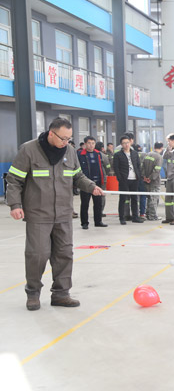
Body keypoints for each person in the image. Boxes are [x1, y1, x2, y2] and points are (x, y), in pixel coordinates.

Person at [6, 117, 103, 310]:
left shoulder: (69, 151)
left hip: (63, 213)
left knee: (64, 254)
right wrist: (15, 204)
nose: (66, 142)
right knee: (37, 255)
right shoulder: (29, 150)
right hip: (38, 214)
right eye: (63, 138)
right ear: (51, 133)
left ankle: (61, 294)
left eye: (69, 139)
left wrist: (91, 186)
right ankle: (33, 293)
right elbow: (14, 179)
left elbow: (77, 176)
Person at [77, 136, 108, 229]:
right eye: (89, 143)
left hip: (97, 182)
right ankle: (84, 223)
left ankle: (98, 221)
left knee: (98, 203)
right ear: (85, 144)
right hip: (85, 183)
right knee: (85, 204)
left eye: (93, 143)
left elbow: (103, 167)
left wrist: (103, 180)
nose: (91, 145)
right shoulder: (80, 154)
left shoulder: (98, 154)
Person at [112, 135, 144, 225]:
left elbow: (138, 165)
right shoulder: (118, 155)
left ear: (130, 143)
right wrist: (120, 178)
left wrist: (139, 175)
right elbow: (116, 168)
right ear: (121, 145)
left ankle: (135, 217)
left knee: (134, 199)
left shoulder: (135, 153)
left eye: (127, 143)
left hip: (134, 179)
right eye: (124, 143)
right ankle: (122, 218)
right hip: (124, 180)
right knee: (123, 199)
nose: (126, 145)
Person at [142, 142, 164, 221]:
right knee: (154, 199)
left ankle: (148, 214)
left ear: (154, 147)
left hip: (146, 181)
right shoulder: (159, 157)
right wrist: (150, 178)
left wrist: (144, 177)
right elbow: (157, 170)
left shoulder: (147, 155)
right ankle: (152, 216)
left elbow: (142, 167)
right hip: (154, 181)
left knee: (149, 198)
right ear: (161, 148)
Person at [94, 141, 111, 218]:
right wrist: (106, 174)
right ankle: (100, 211)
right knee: (102, 195)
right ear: (102, 148)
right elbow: (108, 167)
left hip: (91, 178)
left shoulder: (91, 154)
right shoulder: (103, 156)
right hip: (102, 178)